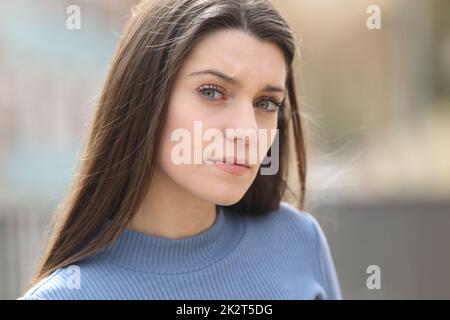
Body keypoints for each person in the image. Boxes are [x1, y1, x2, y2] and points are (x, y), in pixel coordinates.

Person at [19, 0, 342, 300]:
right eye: (212, 92)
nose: (247, 131)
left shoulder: (297, 242)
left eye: (266, 103)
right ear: (146, 97)